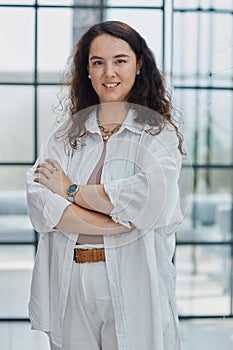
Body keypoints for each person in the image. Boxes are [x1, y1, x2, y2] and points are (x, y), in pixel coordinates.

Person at [26, 20, 184, 350]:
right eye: (97, 62)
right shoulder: (66, 135)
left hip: (133, 277)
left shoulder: (158, 135)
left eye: (120, 61)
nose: (108, 72)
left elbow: (149, 200)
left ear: (139, 65)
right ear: (87, 70)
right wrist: (113, 220)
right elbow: (39, 198)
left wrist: (71, 191)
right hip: (71, 279)